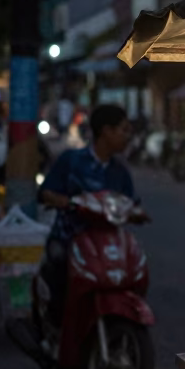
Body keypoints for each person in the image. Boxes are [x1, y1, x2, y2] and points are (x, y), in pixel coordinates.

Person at [38, 104, 138, 322]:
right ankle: (54, 324)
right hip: (69, 238)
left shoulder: (120, 171)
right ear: (106, 131)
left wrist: (137, 213)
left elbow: (132, 203)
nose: (127, 137)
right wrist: (63, 201)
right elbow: (46, 192)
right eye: (123, 130)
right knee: (58, 266)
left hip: (108, 244)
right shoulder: (71, 160)